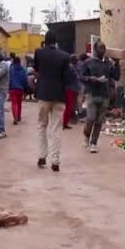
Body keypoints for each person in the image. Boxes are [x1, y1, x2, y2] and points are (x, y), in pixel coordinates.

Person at [34, 31, 70, 171]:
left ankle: (42, 156)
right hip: (59, 96)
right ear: (56, 42)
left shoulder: (39, 53)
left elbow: (37, 69)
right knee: (56, 128)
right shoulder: (64, 56)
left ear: (45, 40)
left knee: (42, 126)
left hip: (43, 94)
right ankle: (55, 161)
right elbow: (66, 77)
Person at [81, 41, 121, 153]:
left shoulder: (108, 64)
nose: (103, 50)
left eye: (104, 48)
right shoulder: (88, 62)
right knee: (91, 118)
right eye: (100, 48)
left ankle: (94, 143)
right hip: (92, 93)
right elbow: (81, 76)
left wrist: (117, 64)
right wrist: (92, 78)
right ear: (95, 50)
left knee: (99, 121)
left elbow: (116, 77)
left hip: (105, 95)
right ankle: (86, 134)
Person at [9, 56, 28, 125]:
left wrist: (8, 87)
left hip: (12, 88)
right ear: (19, 62)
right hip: (20, 89)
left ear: (13, 62)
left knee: (14, 103)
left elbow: (9, 79)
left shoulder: (11, 69)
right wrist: (25, 87)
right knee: (19, 103)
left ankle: (15, 118)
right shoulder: (23, 69)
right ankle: (19, 116)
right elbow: (25, 79)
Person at [63, 55, 80, 130]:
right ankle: (64, 123)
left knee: (69, 107)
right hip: (70, 89)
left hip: (71, 89)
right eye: (76, 60)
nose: (77, 61)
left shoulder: (72, 67)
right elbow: (72, 78)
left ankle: (65, 122)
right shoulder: (70, 68)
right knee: (68, 107)